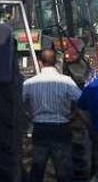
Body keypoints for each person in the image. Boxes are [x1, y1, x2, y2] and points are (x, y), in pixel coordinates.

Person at [23, 49, 83, 182]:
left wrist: (28, 115)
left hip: (39, 128)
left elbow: (18, 102)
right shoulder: (66, 81)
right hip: (61, 128)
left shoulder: (29, 83)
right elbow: (82, 101)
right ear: (56, 61)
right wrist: (73, 114)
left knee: (37, 167)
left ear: (40, 62)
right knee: (64, 169)